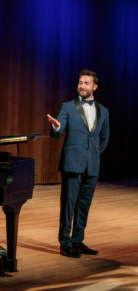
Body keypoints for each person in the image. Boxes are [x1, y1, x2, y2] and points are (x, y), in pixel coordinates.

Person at [47, 69, 109, 258]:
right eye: (80, 82)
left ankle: (78, 240)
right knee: (68, 204)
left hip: (92, 164)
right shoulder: (67, 107)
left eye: (86, 83)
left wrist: (94, 154)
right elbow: (58, 131)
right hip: (72, 163)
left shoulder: (104, 111)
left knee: (84, 205)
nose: (82, 86)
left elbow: (103, 138)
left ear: (95, 87)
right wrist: (55, 127)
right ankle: (65, 243)